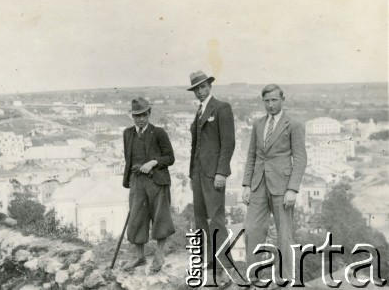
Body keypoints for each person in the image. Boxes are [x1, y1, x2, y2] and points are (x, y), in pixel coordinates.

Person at [242, 84, 307, 288]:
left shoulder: (293, 125)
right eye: (267, 101)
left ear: (282, 99)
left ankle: (284, 278)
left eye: (274, 100)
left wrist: (292, 189)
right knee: (252, 230)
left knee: (284, 234)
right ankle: (254, 277)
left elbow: (300, 158)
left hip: (283, 187)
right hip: (258, 185)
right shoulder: (258, 124)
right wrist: (246, 185)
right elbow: (251, 155)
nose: (270, 105)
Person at [188, 70, 241, 287]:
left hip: (214, 174)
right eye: (196, 89)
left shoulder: (221, 108)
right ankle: (208, 261)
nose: (200, 92)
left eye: (203, 87)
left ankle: (223, 267)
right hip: (198, 175)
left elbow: (228, 143)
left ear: (210, 86)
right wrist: (192, 173)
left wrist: (221, 172)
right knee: (200, 219)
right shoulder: (199, 112)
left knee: (217, 219)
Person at [122, 97, 175, 273]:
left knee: (160, 218)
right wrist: (130, 180)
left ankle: (159, 256)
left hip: (157, 181)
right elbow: (128, 159)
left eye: (144, 114)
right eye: (137, 115)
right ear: (132, 117)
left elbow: (170, 158)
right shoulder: (128, 133)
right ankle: (140, 257)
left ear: (149, 113)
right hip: (137, 181)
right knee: (136, 218)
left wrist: (153, 162)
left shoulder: (159, 133)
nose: (141, 119)